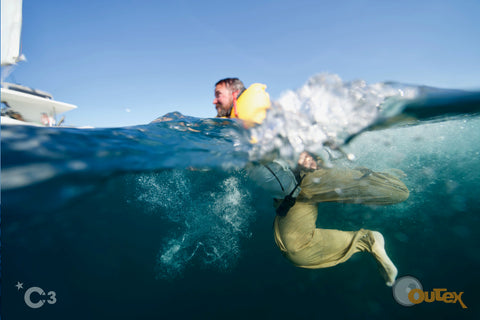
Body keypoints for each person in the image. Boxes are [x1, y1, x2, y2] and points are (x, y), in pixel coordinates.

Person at [213, 77, 410, 286]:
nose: (214, 101)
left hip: (309, 178)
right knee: (296, 251)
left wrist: (301, 150)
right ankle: (368, 240)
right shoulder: (232, 123)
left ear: (234, 94)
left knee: (398, 192)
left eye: (218, 95)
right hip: (292, 197)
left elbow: (274, 129)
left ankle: (379, 176)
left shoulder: (251, 105)